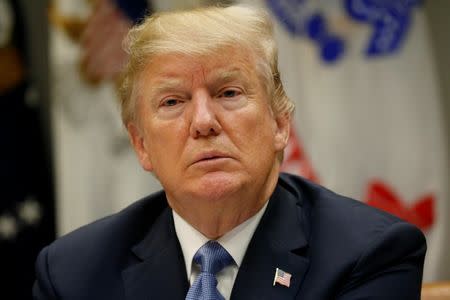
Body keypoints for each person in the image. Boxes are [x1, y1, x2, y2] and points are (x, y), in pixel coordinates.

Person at [33, 5, 426, 299]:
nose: (203, 121)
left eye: (228, 93)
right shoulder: (73, 274)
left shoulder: (370, 256)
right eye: (172, 102)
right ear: (141, 144)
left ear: (280, 123)